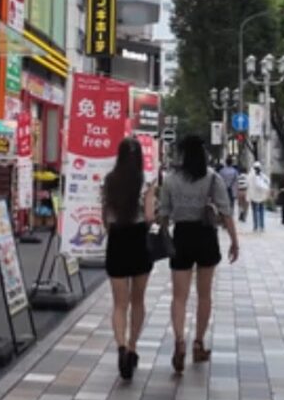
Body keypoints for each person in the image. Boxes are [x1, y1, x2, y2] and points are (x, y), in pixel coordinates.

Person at [157, 135, 240, 374]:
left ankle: (179, 342)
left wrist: (164, 237)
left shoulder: (171, 180)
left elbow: (164, 214)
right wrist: (234, 242)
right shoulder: (213, 179)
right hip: (206, 236)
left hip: (181, 235)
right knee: (204, 295)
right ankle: (198, 343)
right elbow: (225, 213)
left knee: (179, 296)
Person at [103, 137, 155, 381]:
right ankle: (133, 347)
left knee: (119, 303)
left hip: (116, 241)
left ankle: (120, 346)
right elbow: (149, 216)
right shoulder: (146, 182)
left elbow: (105, 218)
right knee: (138, 299)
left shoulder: (109, 181)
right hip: (138, 241)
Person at [245, 162, 270, 232]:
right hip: (259, 196)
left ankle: (256, 226)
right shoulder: (260, 176)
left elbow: (248, 185)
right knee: (260, 211)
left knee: (256, 211)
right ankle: (260, 226)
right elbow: (266, 183)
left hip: (255, 196)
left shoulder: (251, 176)